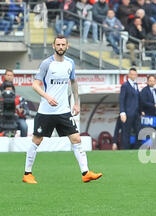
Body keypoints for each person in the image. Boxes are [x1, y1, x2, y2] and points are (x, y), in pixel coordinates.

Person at [22, 35, 102, 184]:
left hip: (64, 111)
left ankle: (86, 173)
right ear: (53, 46)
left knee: (76, 139)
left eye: (63, 44)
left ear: (67, 46)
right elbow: (35, 85)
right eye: (58, 44)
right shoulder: (47, 64)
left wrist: (76, 103)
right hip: (46, 111)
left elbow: (73, 83)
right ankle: (27, 174)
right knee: (37, 140)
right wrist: (47, 97)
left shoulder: (70, 63)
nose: (60, 47)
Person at [115, 67, 142, 150]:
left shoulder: (136, 85)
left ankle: (137, 149)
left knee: (139, 131)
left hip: (136, 113)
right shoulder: (125, 85)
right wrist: (122, 112)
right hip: (128, 113)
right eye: (131, 74)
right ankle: (125, 149)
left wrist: (141, 111)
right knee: (126, 132)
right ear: (128, 75)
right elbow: (121, 99)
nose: (133, 76)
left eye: (135, 74)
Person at [139, 75, 156, 145]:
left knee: (155, 131)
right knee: (147, 132)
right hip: (147, 115)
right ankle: (146, 146)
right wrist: (154, 105)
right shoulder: (144, 90)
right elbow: (143, 102)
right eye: (150, 81)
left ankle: (154, 146)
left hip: (154, 114)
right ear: (147, 81)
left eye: (153, 81)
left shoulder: (155, 90)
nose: (152, 82)